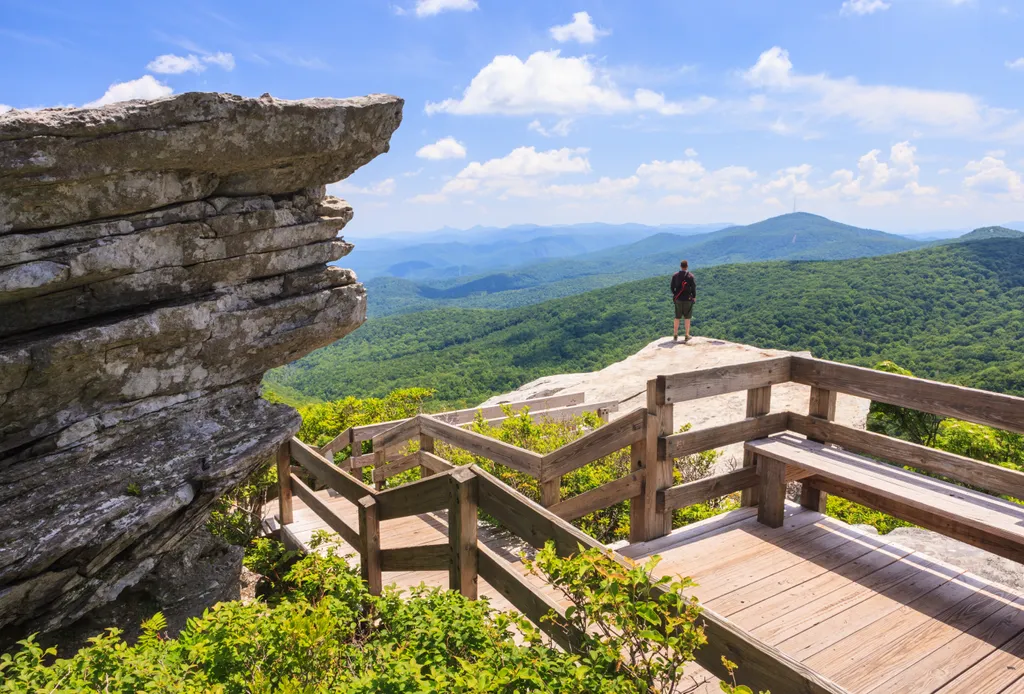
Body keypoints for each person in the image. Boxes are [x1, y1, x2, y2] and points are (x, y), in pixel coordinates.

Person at [670, 260, 696, 343]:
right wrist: (694, 297)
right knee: (687, 318)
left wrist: (675, 294)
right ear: (687, 266)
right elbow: (693, 288)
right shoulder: (690, 276)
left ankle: (675, 335)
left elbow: (671, 287)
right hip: (688, 299)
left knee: (677, 317)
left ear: (680, 266)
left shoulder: (675, 275)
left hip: (678, 299)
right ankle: (687, 335)